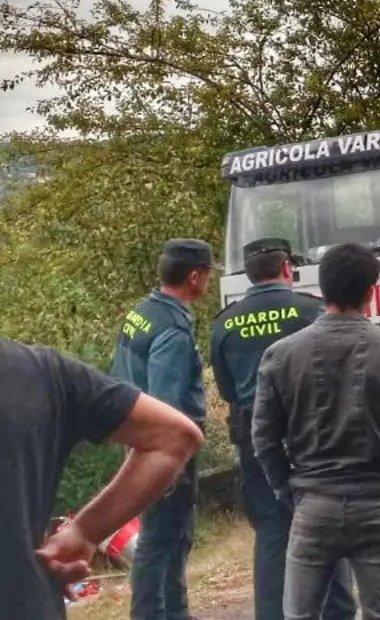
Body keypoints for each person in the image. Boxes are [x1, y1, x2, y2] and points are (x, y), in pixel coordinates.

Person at [253, 242, 380, 620]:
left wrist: (289, 490)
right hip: (377, 505)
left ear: (322, 290)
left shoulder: (280, 355)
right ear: (371, 293)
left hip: (312, 504)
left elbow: (264, 438)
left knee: (300, 615)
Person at [2, 338, 203, 620]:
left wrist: (86, 532)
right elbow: (174, 436)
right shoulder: (42, 373)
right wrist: (86, 532)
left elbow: (174, 437)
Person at [210, 238, 356, 620]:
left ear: (248, 274)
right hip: (314, 436)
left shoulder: (225, 323)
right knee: (326, 522)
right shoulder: (311, 310)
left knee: (272, 532)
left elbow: (226, 390)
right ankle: (337, 612)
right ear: (287, 268)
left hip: (255, 437)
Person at [110, 238, 217, 620]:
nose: (209, 281)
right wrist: (169, 463)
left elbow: (117, 376)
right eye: (208, 274)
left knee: (173, 535)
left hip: (136, 436)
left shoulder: (142, 313)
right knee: (159, 538)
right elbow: (166, 406)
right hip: (165, 447)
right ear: (194, 277)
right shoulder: (173, 329)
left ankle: (175, 613)